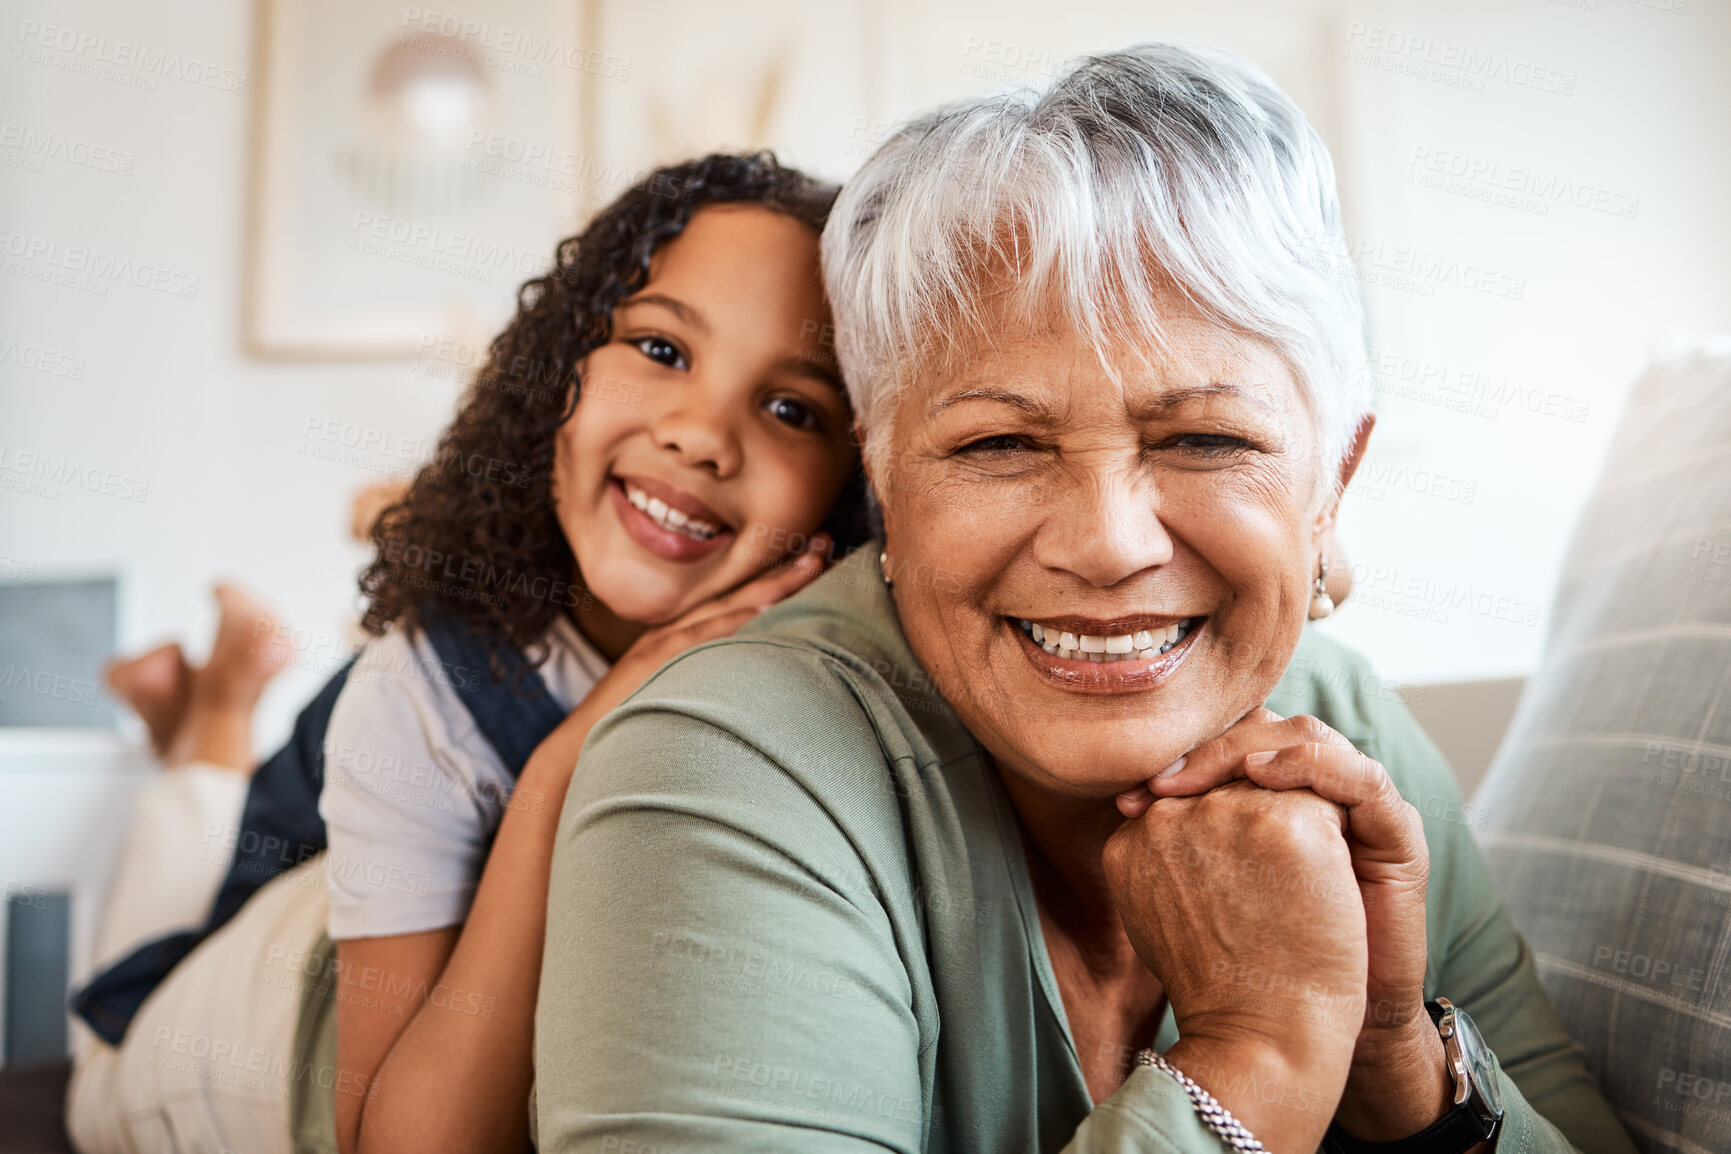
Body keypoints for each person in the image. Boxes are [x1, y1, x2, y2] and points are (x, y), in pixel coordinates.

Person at [532, 45, 1635, 1153]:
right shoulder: (724, 757)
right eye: (999, 441)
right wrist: (1258, 1051)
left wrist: (1394, 1059)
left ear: (1330, 484)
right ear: (885, 480)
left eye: (1205, 437)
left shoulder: (1344, 721)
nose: (1108, 543)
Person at [65, 152, 868, 1154]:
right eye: (661, 348)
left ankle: (202, 718)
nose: (703, 435)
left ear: (855, 480)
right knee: (136, 970)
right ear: (558, 369)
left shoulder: (834, 691)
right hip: (181, 1059)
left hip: (314, 918)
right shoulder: (420, 691)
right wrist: (567, 761)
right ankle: (214, 715)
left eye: (794, 408)